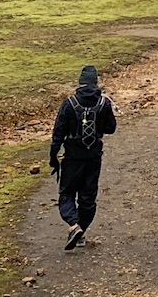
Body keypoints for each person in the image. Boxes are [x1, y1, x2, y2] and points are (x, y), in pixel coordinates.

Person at [50, 64, 116, 250]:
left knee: (67, 194)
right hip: (94, 157)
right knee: (87, 198)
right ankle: (80, 232)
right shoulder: (104, 103)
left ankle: (73, 225)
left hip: (72, 158)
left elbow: (58, 133)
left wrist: (53, 156)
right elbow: (111, 128)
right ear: (96, 82)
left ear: (80, 82)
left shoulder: (69, 103)